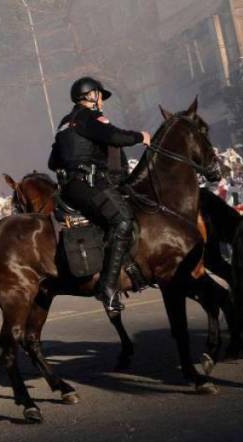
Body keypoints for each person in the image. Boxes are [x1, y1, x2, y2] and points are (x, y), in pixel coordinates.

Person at [47, 76, 152, 312]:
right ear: (89, 96)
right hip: (90, 183)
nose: (102, 100)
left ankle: (126, 265)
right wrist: (140, 137)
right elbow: (115, 136)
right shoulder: (89, 117)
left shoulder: (64, 123)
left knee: (110, 220)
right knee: (124, 220)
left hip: (72, 187)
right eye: (99, 95)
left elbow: (52, 162)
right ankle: (107, 286)